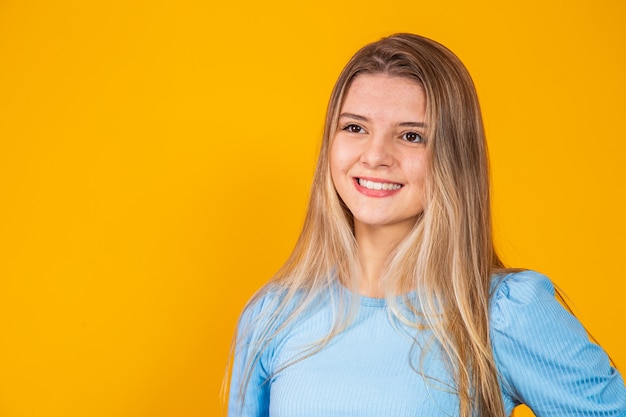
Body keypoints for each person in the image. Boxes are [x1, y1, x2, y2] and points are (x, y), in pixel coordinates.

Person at [226, 33, 626, 417]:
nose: (376, 155)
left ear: (454, 159)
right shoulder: (272, 315)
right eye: (355, 128)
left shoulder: (500, 314)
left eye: (412, 136)